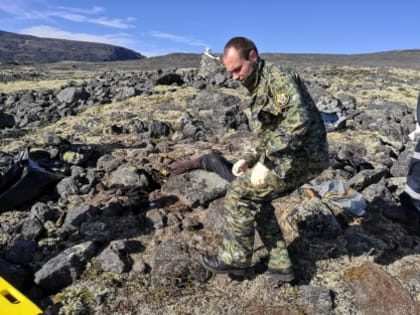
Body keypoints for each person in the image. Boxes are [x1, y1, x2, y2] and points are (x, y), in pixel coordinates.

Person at [199, 37, 329, 284]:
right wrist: (248, 158)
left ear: (253, 57)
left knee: (240, 192)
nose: (235, 77)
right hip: (291, 155)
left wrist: (266, 161)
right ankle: (281, 266)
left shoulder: (277, 79)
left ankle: (235, 258)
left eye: (237, 69)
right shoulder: (257, 84)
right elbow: (267, 133)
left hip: (303, 156)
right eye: (230, 72)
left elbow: (297, 121)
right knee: (257, 196)